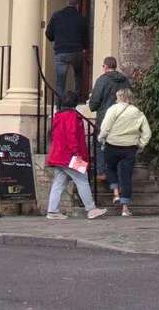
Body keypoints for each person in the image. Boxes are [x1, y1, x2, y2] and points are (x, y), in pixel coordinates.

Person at [46, 91, 107, 220]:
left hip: (58, 154)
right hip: (70, 155)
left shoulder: (58, 116)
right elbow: (72, 137)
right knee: (82, 180)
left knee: (59, 183)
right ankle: (91, 209)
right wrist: (77, 154)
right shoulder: (72, 117)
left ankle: (52, 210)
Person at [97, 87, 151, 217]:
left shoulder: (113, 109)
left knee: (110, 168)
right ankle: (125, 209)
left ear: (120, 97)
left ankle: (116, 193)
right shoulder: (138, 112)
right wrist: (141, 143)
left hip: (112, 144)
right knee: (126, 177)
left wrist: (101, 137)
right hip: (130, 147)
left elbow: (105, 126)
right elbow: (147, 132)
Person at [89, 57, 131, 201]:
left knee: (100, 143)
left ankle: (101, 171)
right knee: (119, 147)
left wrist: (93, 106)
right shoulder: (125, 80)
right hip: (123, 119)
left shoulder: (103, 80)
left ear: (105, 66)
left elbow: (95, 101)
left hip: (105, 117)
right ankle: (119, 180)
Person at [45, 0, 89, 95]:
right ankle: (77, 101)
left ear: (67, 3)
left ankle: (60, 105)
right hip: (76, 51)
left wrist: (55, 40)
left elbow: (48, 33)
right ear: (78, 5)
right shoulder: (81, 18)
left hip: (61, 52)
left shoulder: (56, 16)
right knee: (78, 77)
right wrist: (85, 48)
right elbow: (85, 36)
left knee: (60, 82)